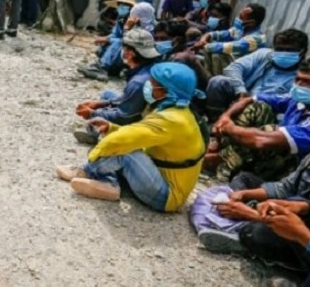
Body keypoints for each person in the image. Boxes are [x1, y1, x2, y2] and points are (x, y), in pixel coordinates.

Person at [56, 62, 205, 212]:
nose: (148, 85)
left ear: (165, 91)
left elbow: (122, 140)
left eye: (153, 83)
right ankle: (109, 181)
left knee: (123, 149)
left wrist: (93, 158)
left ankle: (89, 172)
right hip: (162, 176)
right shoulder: (179, 112)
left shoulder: (170, 120)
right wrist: (110, 127)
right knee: (120, 142)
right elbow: (141, 136)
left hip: (166, 196)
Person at [193, 122, 310, 258]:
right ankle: (239, 215)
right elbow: (285, 188)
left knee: (260, 232)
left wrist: (253, 214)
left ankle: (247, 233)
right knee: (245, 179)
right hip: (293, 206)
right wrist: (244, 194)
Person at [209, 62, 310, 182]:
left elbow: (261, 141)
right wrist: (225, 117)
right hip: (272, 151)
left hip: (295, 171)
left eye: (309, 82)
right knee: (257, 107)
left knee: (270, 131)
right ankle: (222, 152)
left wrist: (229, 128)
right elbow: (251, 99)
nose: (299, 85)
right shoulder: (297, 99)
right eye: (297, 79)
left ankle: (220, 162)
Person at [73, 28, 160, 146]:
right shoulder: (150, 67)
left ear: (130, 53)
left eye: (123, 48)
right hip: (143, 107)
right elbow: (127, 98)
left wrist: (93, 113)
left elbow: (123, 117)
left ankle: (95, 133)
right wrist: (101, 103)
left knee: (101, 114)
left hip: (142, 119)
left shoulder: (138, 82)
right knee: (106, 95)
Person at [205, 29, 309, 121]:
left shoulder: (306, 74)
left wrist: (249, 101)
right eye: (280, 49)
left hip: (268, 108)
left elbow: (291, 101)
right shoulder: (265, 55)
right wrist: (241, 91)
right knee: (217, 82)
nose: (284, 53)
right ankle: (215, 120)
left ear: (302, 51)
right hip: (245, 94)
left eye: (290, 50)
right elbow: (233, 68)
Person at [193, 2, 268, 76]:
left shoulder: (257, 38)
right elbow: (217, 34)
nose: (238, 19)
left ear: (252, 22)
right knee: (211, 43)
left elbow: (231, 47)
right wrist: (204, 39)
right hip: (231, 64)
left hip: (241, 72)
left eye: (241, 18)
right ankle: (208, 76)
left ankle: (216, 80)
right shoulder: (239, 30)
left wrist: (205, 45)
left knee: (218, 53)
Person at [78, 0, 137, 81]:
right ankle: (112, 70)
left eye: (125, 5)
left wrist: (108, 39)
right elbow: (115, 34)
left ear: (131, 8)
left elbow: (127, 39)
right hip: (123, 50)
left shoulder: (135, 21)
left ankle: (101, 67)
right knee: (105, 44)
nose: (121, 7)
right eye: (120, 4)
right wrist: (105, 38)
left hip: (133, 52)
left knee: (117, 42)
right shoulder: (121, 19)